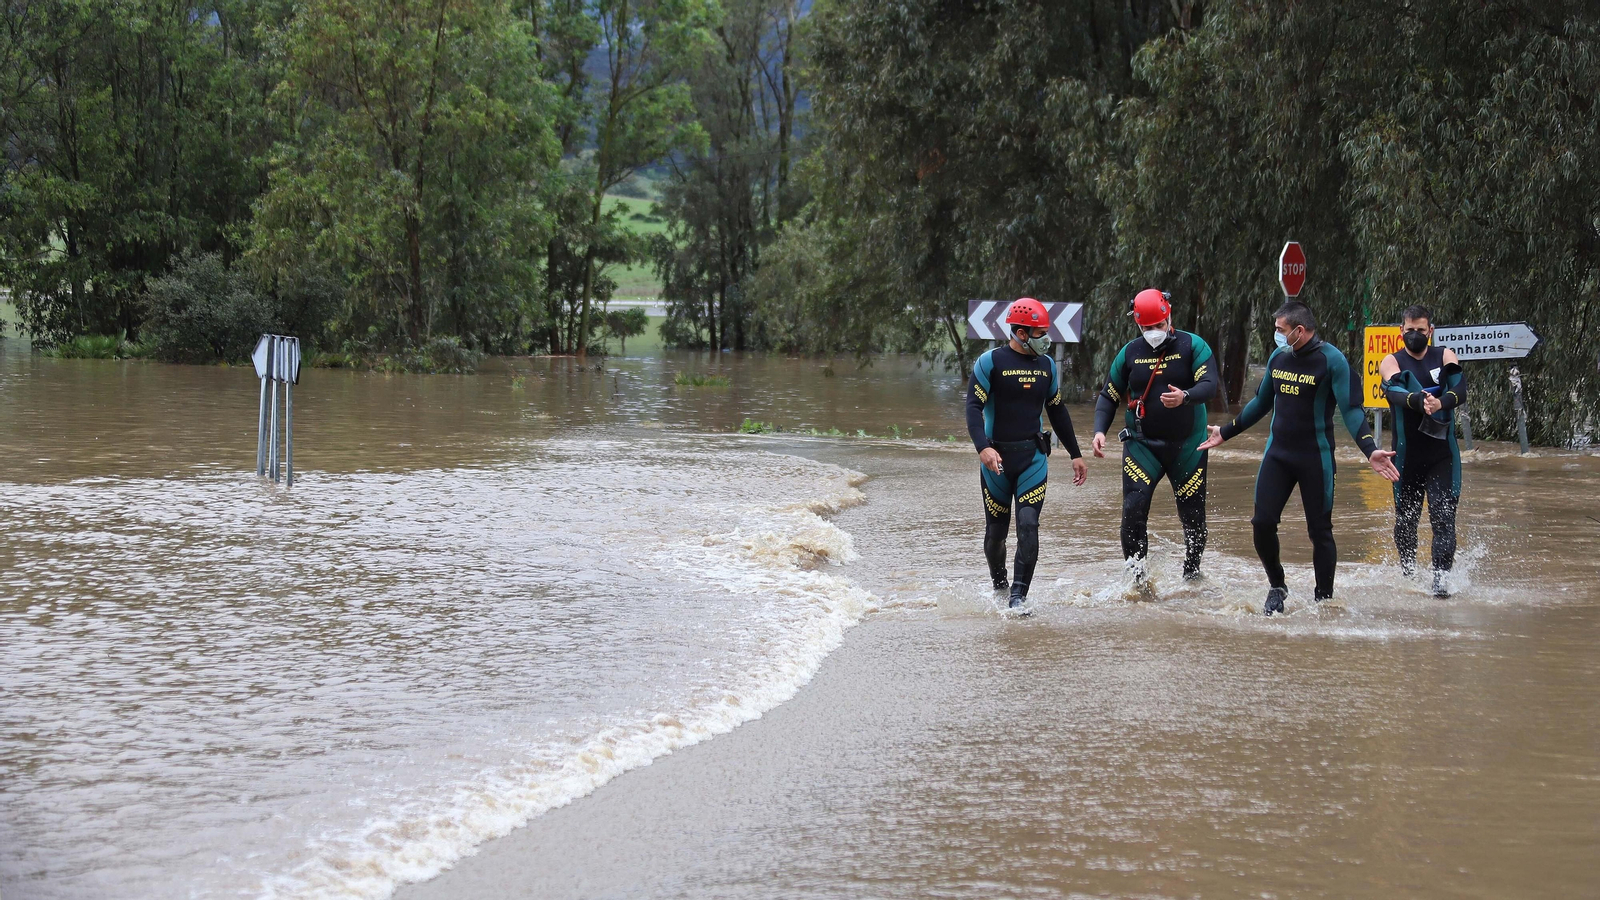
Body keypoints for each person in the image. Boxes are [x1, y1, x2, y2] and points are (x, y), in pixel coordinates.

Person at [1198, 301, 1400, 615]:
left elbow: (1351, 410)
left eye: (1280, 330)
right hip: (1277, 455)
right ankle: (1277, 586)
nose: (1276, 335)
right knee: (1262, 523)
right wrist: (1225, 432)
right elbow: (1260, 403)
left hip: (1315, 458)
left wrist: (1370, 450)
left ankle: (1324, 600)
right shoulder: (1279, 357)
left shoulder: (1332, 361)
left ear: (1299, 331)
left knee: (1319, 531)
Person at [1091, 289, 1221, 584]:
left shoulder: (1193, 346)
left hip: (1188, 446)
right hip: (1142, 446)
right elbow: (1108, 396)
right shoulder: (1129, 353)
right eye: (1147, 328)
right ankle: (1137, 582)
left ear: (1169, 316)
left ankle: (1191, 574)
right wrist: (1099, 430)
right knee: (1133, 510)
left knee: (1193, 518)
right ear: (1137, 325)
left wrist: (1186, 396)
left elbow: (1210, 385)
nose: (1153, 333)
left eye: (1159, 326)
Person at [966, 298, 1088, 610]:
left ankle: (1018, 598)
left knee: (1029, 524)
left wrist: (1076, 453)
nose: (1046, 338)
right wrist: (984, 448)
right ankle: (1000, 585)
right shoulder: (989, 363)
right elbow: (973, 408)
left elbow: (1057, 410)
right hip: (997, 462)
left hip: (1032, 458)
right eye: (1040, 333)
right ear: (1021, 333)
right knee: (996, 532)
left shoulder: (1047, 366)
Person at [1379, 304, 1466, 597]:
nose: (1415, 335)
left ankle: (1441, 584)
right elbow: (1393, 391)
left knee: (1443, 518)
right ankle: (1409, 575)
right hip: (1406, 459)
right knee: (1406, 521)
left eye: (1421, 330)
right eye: (1410, 330)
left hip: (1442, 456)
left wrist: (1441, 403)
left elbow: (1460, 391)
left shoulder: (1444, 356)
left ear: (1431, 330)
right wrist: (1418, 400)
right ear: (1401, 331)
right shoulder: (1391, 360)